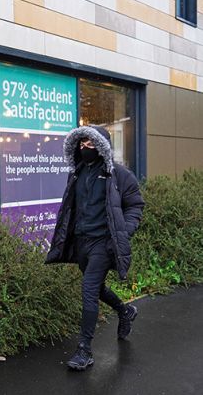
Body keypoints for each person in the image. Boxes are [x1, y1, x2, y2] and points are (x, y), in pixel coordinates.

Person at [45, 125, 145, 371]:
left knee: (89, 289)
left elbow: (135, 206)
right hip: (82, 242)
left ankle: (84, 350)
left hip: (104, 242)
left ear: (102, 147)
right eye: (81, 143)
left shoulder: (119, 175)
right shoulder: (77, 173)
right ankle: (125, 310)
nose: (84, 148)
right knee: (97, 288)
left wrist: (124, 231)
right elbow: (72, 207)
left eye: (90, 144)